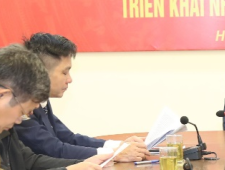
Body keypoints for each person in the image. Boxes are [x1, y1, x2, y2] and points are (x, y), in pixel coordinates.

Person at [16, 32, 148, 162]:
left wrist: (118, 146)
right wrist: (115, 154)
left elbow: (69, 138)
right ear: (41, 73)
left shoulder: (42, 101)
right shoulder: (20, 107)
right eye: (64, 73)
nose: (69, 79)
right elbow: (54, 149)